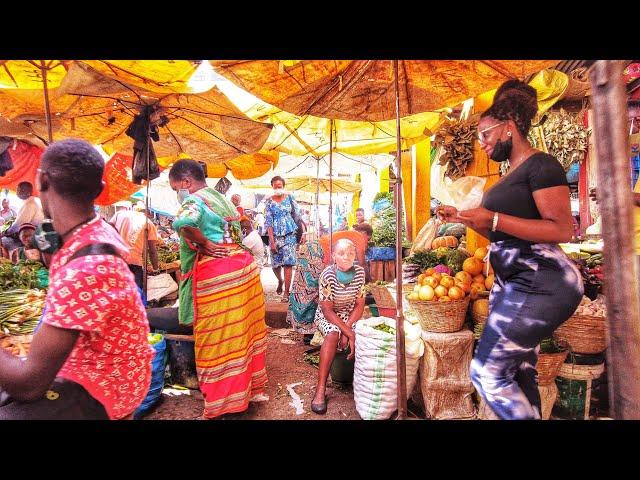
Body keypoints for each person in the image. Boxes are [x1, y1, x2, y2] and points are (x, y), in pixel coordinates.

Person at [437, 81, 583, 420]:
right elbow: (502, 236)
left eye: (486, 134)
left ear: (509, 127)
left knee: (486, 371)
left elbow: (561, 229)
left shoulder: (542, 166)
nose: (482, 143)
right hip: (515, 281)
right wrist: (464, 218)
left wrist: (495, 216)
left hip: (542, 281)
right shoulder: (511, 174)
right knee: (520, 371)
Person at [0, 139, 154, 420]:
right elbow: (49, 258)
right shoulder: (90, 231)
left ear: (42, 180)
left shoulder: (86, 268)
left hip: (105, 390)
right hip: (115, 375)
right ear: (100, 190)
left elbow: (29, 384)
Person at [166, 159, 267, 419]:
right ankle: (245, 392)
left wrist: (203, 242)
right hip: (243, 270)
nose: (176, 193)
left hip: (219, 275)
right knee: (241, 335)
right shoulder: (220, 198)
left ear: (186, 183)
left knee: (218, 342)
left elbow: (181, 224)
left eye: (175, 187)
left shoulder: (195, 199)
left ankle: (224, 405)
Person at [311, 238, 366, 415]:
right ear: (334, 256)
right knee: (333, 334)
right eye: (341, 253)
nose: (346, 257)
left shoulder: (360, 272)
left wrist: (348, 329)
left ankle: (360, 383)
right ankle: (320, 390)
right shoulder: (327, 275)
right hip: (329, 315)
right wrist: (345, 331)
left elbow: (359, 305)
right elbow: (327, 310)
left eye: (351, 253)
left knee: (365, 333)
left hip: (350, 315)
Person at [265, 175, 306, 301]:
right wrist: (271, 241)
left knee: (288, 264)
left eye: (280, 186)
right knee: (275, 265)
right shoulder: (269, 201)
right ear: (272, 187)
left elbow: (298, 216)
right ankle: (280, 280)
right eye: (275, 186)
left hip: (290, 234)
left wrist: (303, 232)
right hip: (275, 236)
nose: (278, 188)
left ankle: (286, 293)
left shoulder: (290, 198)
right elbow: (268, 222)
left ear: (283, 186)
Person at [110, 202, 160, 290]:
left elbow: (109, 227)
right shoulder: (148, 223)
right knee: (136, 294)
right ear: (148, 213)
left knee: (118, 291)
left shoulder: (120, 214)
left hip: (116, 259)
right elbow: (152, 250)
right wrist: (156, 269)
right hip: (134, 262)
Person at [1, 182, 44, 252]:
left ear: (29, 193)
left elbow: (19, 224)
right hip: (32, 232)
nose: (17, 192)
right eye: (17, 189)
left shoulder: (30, 204)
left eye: (21, 190)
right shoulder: (30, 201)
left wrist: (5, 232)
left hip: (34, 235)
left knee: (6, 242)